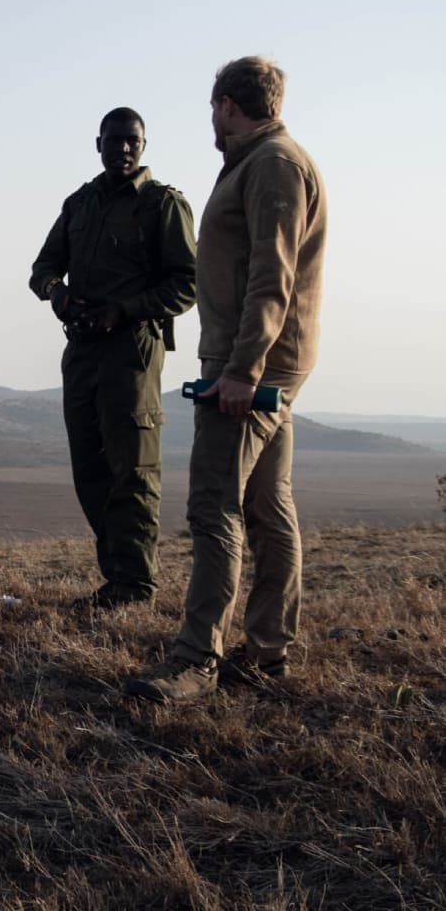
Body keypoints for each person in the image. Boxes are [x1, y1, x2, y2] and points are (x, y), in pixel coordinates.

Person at [129, 57, 328, 703]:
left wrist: (242, 369)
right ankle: (268, 652)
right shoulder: (260, 161)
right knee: (268, 505)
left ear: (228, 106)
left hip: (250, 364)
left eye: (214, 109)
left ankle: (196, 661)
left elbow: (274, 274)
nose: (212, 121)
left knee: (214, 505)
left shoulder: (274, 165)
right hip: (258, 359)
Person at [30, 108, 197, 608]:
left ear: (143, 146)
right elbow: (43, 267)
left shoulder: (162, 205)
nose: (123, 149)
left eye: (132, 141)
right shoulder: (80, 203)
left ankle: (136, 584)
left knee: (134, 469)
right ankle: (118, 576)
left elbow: (187, 285)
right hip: (82, 350)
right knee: (90, 467)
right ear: (98, 143)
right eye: (115, 140)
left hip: (133, 351)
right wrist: (56, 292)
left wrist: (124, 311)